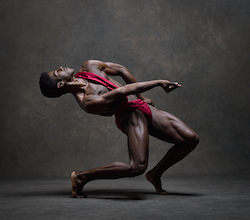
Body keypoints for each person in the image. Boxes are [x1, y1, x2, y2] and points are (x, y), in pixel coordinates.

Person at [39, 60, 199, 198]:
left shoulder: (90, 66)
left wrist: (142, 99)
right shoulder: (88, 102)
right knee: (137, 167)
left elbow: (122, 70)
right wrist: (158, 82)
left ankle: (155, 174)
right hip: (130, 116)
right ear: (60, 84)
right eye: (57, 72)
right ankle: (81, 177)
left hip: (140, 106)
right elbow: (123, 91)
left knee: (190, 139)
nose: (60, 67)